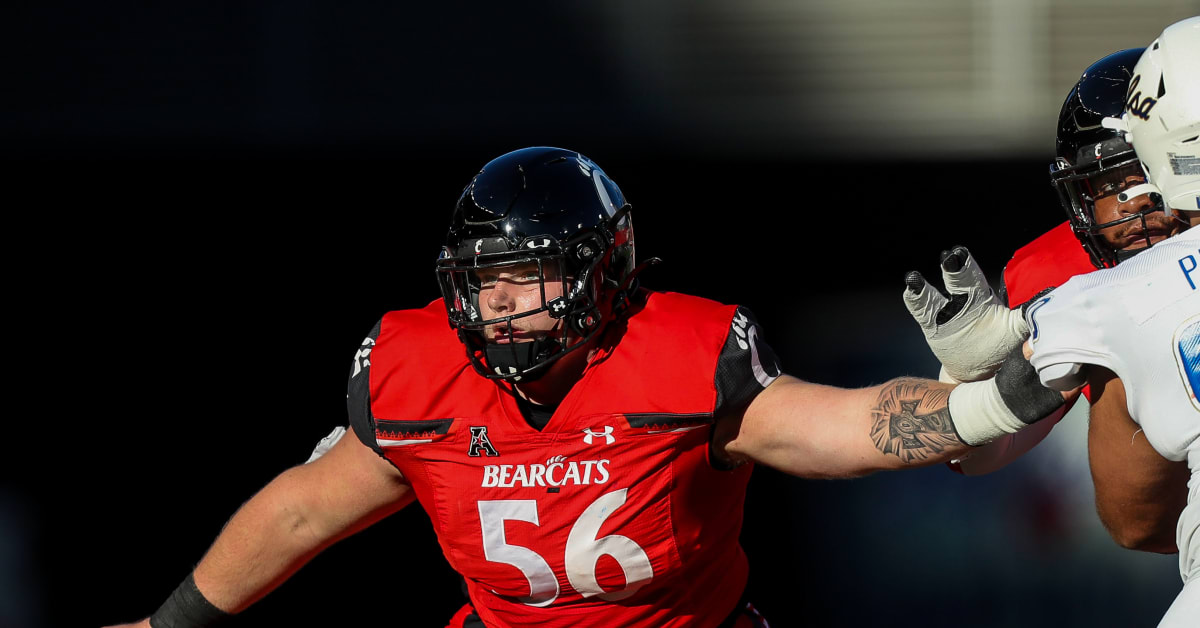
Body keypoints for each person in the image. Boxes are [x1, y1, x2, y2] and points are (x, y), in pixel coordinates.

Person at [106, 146, 1068, 628]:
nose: (509, 306)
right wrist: (168, 624)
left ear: (607, 271)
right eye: (489, 280)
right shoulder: (419, 371)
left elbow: (846, 431)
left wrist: (991, 402)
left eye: (535, 278)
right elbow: (304, 511)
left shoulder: (678, 354)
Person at [902, 47, 1196, 482]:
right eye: (1109, 185)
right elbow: (978, 457)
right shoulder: (1066, 276)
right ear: (1079, 198)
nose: (1130, 206)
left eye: (1148, 174)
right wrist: (967, 382)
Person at [1017, 17, 1199, 626]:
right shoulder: (1088, 285)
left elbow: (1136, 519)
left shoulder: (1114, 296)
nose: (1140, 202)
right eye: (1116, 183)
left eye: (1145, 171)